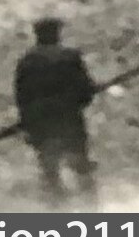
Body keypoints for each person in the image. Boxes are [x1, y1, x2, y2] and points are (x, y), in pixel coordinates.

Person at [15, 17, 99, 204]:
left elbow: (22, 97)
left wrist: (28, 124)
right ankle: (92, 210)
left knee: (50, 172)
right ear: (56, 33)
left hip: (42, 125)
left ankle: (56, 211)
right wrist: (79, 102)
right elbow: (85, 90)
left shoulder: (26, 61)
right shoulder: (69, 56)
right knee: (81, 169)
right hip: (69, 120)